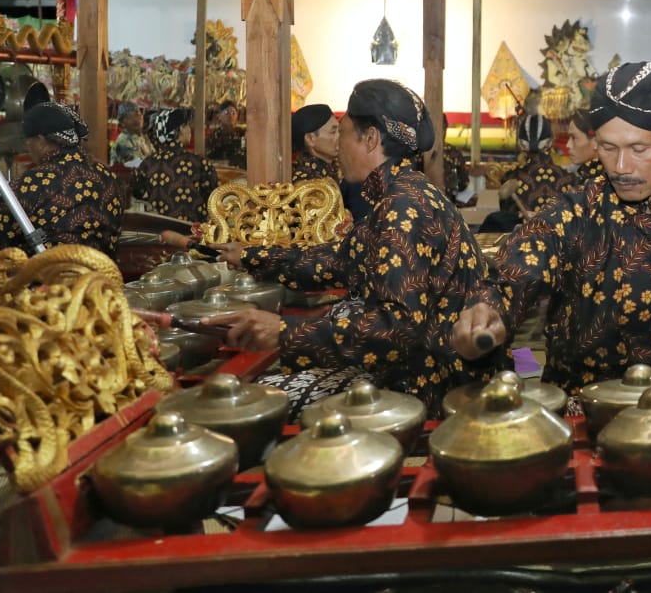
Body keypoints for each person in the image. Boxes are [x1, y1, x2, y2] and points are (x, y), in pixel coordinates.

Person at [453, 61, 651, 393]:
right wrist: (487, 310)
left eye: (639, 149)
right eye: (608, 148)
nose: (621, 167)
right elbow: (514, 277)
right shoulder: (572, 214)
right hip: (588, 415)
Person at [210, 80, 497, 418]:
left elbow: (397, 329)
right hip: (419, 365)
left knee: (257, 404)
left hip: (427, 382)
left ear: (371, 139)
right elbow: (337, 261)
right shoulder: (399, 193)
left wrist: (284, 332)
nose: (338, 146)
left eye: (343, 132)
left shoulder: (403, 206)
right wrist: (250, 256)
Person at [0, 102, 127, 256]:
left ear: (40, 141)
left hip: (47, 285)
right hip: (102, 281)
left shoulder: (32, 182)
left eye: (28, 141)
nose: (27, 148)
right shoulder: (108, 176)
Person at [132, 108, 220, 223]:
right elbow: (215, 199)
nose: (190, 130)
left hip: (157, 233)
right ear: (181, 129)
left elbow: (137, 194)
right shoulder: (199, 162)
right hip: (192, 234)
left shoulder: (148, 163)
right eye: (187, 126)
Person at [501, 114, 577, 217]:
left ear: (521, 144)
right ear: (550, 142)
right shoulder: (569, 179)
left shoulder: (510, 178)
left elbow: (506, 221)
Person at [290, 103, 340, 183]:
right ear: (310, 139)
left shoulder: (339, 166)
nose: (340, 136)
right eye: (333, 132)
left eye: (340, 130)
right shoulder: (307, 180)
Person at [565, 108, 603, 185]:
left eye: (574, 138)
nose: (568, 145)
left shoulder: (600, 183)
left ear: (595, 141)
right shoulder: (588, 176)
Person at [206, 100, 245, 166]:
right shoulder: (214, 136)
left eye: (233, 113)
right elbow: (208, 158)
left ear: (237, 115)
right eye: (226, 112)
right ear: (219, 116)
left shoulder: (241, 134)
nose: (230, 116)